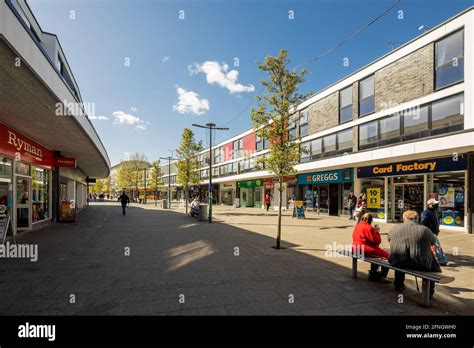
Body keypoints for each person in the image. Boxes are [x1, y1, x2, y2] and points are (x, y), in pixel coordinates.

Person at [388, 210, 441, 296]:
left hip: (396, 261)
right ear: (417, 219)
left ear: (404, 218)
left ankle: (398, 284)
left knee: (400, 256)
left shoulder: (394, 228)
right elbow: (433, 242)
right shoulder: (425, 230)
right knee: (430, 260)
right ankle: (429, 292)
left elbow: (389, 239)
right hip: (419, 264)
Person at [352, 213, 390, 282]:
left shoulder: (358, 225)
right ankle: (382, 276)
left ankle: (373, 272)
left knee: (378, 254)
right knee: (387, 256)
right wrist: (377, 232)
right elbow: (376, 241)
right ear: (370, 220)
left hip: (355, 248)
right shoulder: (369, 227)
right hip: (364, 249)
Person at [420, 198, 448, 266]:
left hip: (433, 232)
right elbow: (422, 223)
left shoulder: (434, 212)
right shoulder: (426, 212)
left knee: (429, 246)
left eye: (437, 204)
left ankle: (426, 258)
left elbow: (435, 222)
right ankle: (442, 260)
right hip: (430, 232)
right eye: (435, 204)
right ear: (430, 205)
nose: (437, 205)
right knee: (437, 245)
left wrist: (437, 229)